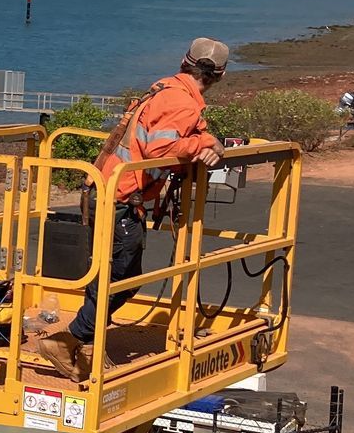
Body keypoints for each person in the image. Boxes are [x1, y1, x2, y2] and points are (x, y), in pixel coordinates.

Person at [37, 37, 230, 383]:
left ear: (185, 62)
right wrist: (204, 143)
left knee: (118, 276)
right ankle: (68, 341)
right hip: (119, 200)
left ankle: (80, 340)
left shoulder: (168, 90)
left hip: (112, 194)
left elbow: (178, 133)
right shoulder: (181, 102)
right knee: (121, 278)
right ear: (219, 74)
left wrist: (206, 138)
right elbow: (160, 148)